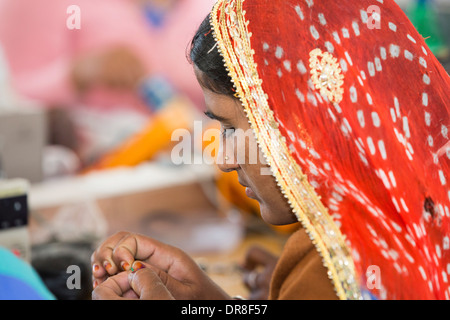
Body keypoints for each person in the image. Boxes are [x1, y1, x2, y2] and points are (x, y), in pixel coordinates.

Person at [91, 0, 450, 300]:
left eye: (232, 129)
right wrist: (208, 300)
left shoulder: (329, 266)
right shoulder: (408, 226)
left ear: (304, 130)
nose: (225, 159)